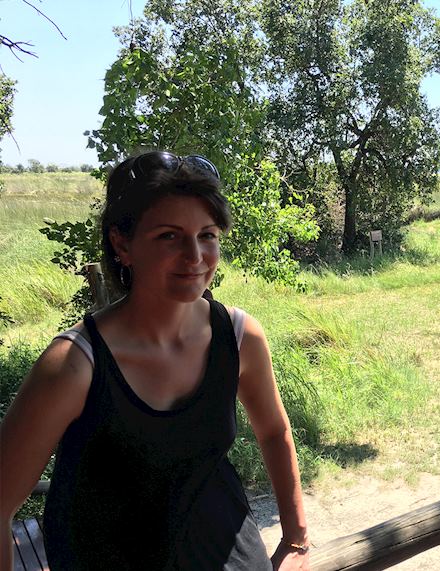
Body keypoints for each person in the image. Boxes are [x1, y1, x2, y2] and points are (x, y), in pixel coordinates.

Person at [0, 151, 310, 570]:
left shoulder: (238, 337)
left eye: (207, 235)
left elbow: (274, 431)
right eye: (169, 236)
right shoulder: (74, 365)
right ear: (122, 244)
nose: (195, 256)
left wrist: (296, 540)